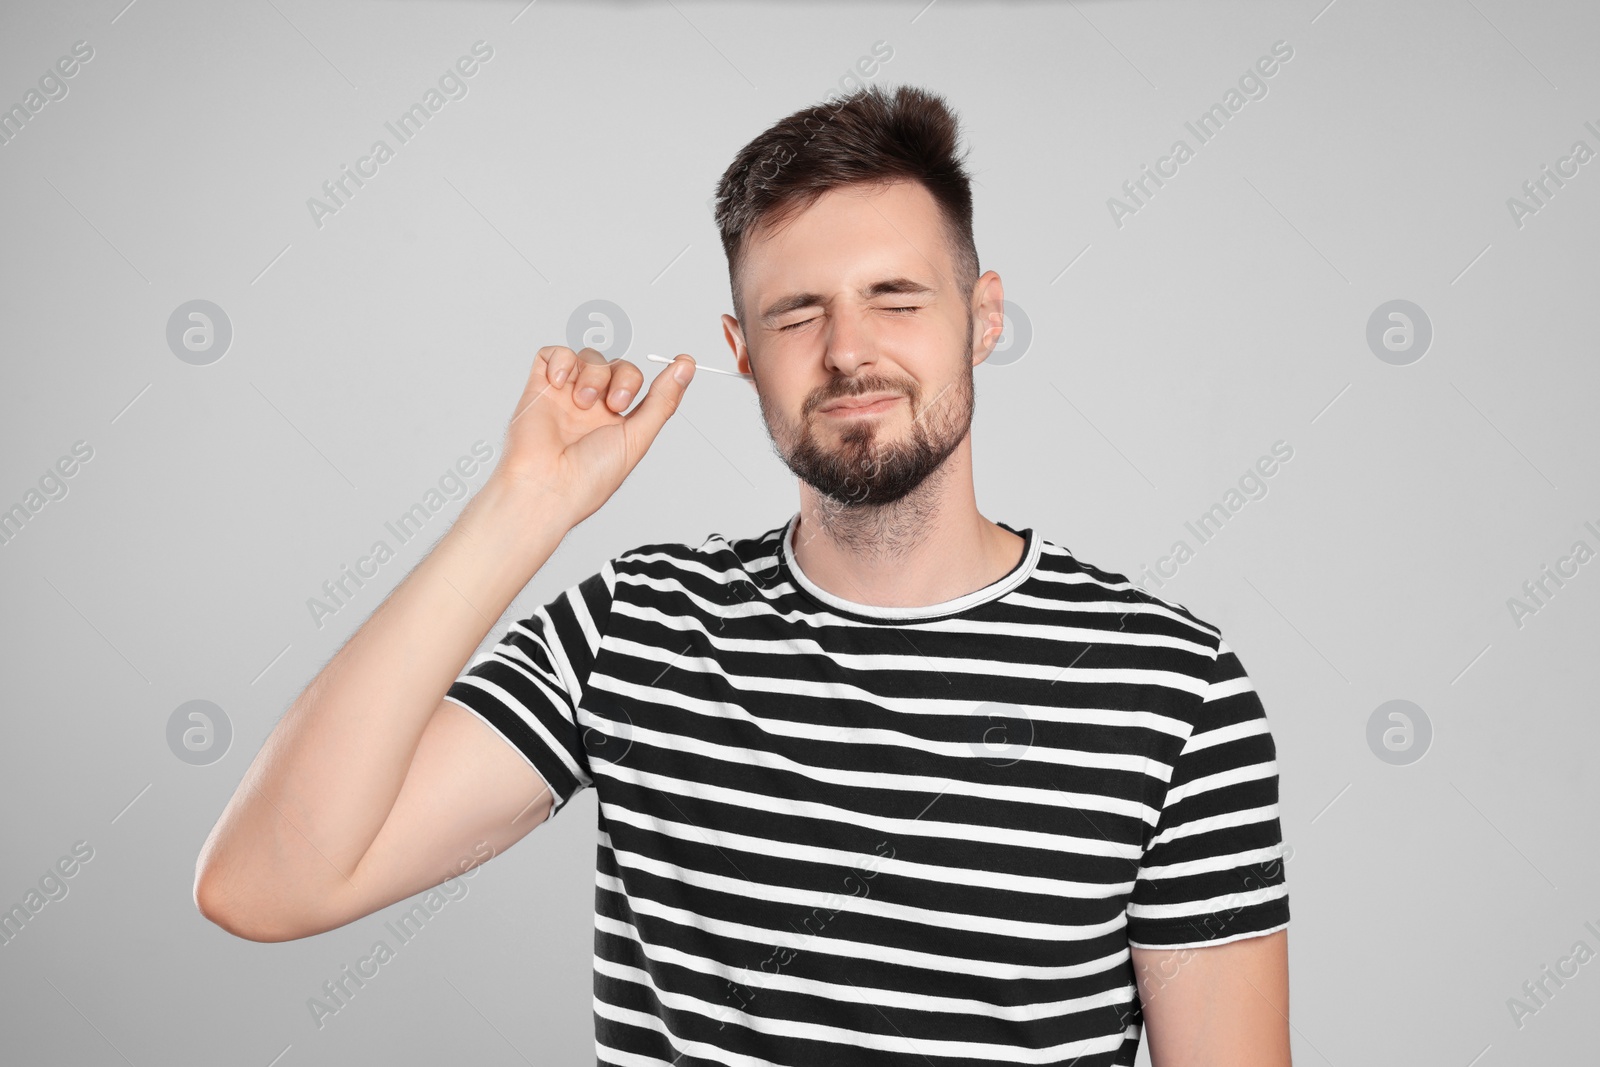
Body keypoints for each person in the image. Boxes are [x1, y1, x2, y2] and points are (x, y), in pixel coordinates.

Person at [195, 83, 1292, 1066]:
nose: (848, 349)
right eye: (796, 312)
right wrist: (522, 510)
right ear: (739, 347)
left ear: (984, 316)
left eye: (896, 297)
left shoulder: (1170, 688)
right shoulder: (638, 628)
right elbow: (266, 881)